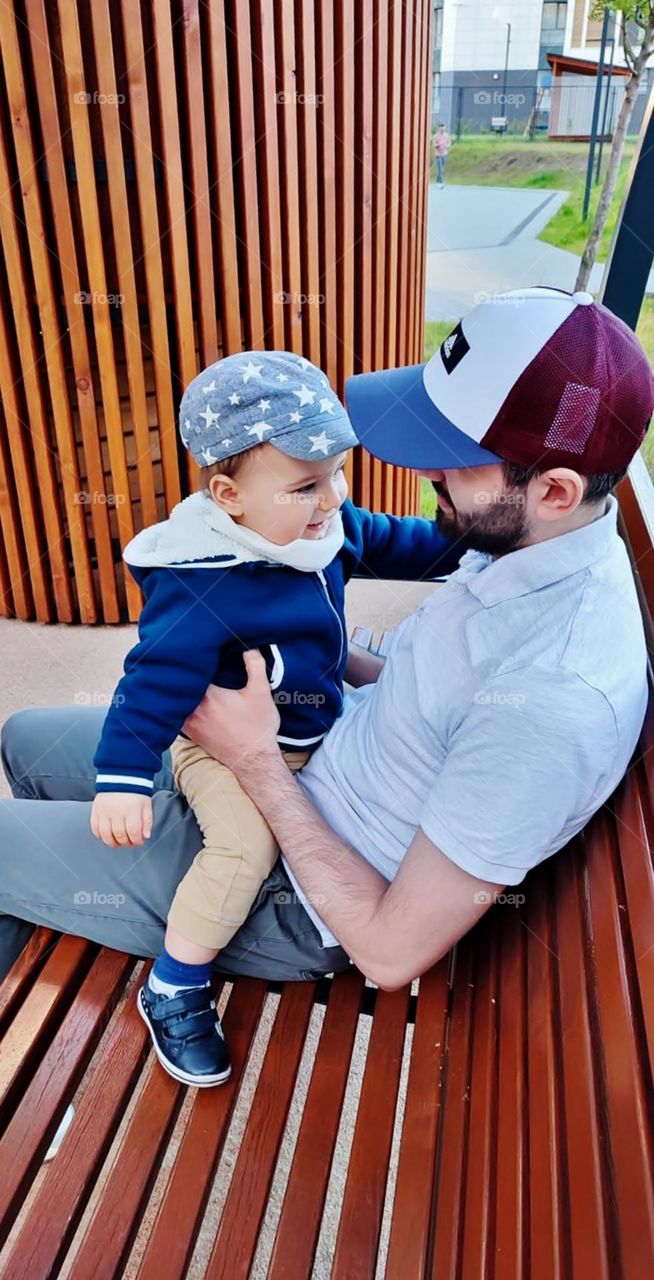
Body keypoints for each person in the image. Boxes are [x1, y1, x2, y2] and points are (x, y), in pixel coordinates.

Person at [0, 287, 652, 1028]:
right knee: (23, 736)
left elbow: (387, 951)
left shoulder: (553, 698)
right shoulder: (523, 543)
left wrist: (255, 764)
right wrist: (298, 657)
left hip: (293, 890)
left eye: (451, 459)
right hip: (300, 745)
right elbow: (431, 693)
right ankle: (53, 907)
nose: (424, 475)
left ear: (555, 490)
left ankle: (103, 951)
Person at [87, 349, 459, 1087]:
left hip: (303, 728)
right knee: (245, 850)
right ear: (228, 494)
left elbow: (396, 543)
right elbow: (152, 684)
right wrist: (122, 778)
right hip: (224, 750)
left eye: (336, 474)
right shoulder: (204, 583)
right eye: (306, 486)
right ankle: (175, 982)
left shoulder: (320, 527)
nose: (333, 500)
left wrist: (468, 542)